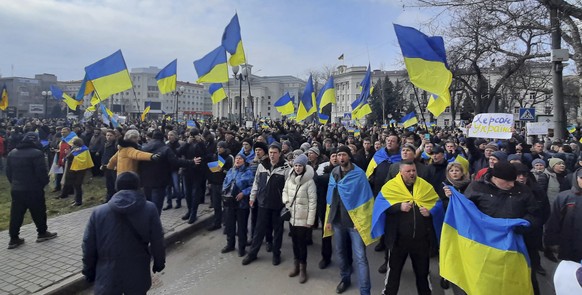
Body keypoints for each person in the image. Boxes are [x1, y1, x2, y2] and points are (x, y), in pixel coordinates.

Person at [82, 172, 165, 295]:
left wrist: (88, 269)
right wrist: (159, 262)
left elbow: (88, 244)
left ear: (116, 187)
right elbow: (157, 239)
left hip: (107, 275)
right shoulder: (149, 209)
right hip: (138, 272)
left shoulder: (98, 212)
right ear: (138, 186)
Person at [378, 161, 443, 295]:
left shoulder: (425, 186)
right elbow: (380, 206)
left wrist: (430, 211)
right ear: (400, 172)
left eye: (414, 171)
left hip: (421, 241)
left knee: (423, 274)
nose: (412, 173)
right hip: (398, 241)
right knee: (393, 273)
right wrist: (398, 207)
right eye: (408, 171)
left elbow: (437, 203)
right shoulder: (390, 187)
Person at [325, 145, 375, 295]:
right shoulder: (334, 172)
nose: (341, 158)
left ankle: (365, 290)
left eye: (344, 155)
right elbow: (331, 199)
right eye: (338, 155)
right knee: (340, 252)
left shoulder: (359, 174)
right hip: (338, 221)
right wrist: (329, 219)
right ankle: (345, 278)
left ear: (349, 156)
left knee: (360, 257)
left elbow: (366, 200)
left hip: (355, 224)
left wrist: (363, 223)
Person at [6, 132, 57, 249]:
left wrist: (14, 183)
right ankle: (42, 233)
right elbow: (41, 173)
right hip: (33, 189)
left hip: (17, 189)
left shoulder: (12, 153)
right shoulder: (37, 154)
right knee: (39, 212)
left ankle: (13, 239)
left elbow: (9, 173)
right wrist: (42, 184)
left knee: (16, 214)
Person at [242, 142, 289, 266]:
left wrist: (286, 203)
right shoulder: (262, 166)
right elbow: (256, 183)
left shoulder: (286, 167)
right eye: (270, 153)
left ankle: (276, 254)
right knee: (259, 230)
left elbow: (289, 187)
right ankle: (252, 253)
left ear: (280, 153)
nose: (272, 155)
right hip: (263, 203)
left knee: (277, 231)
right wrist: (253, 197)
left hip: (278, 205)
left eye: (275, 153)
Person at [282, 154, 317, 284]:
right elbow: (284, 191)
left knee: (302, 244)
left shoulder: (309, 181)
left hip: (303, 218)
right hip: (292, 216)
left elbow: (313, 202)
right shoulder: (290, 179)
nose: (297, 168)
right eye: (295, 165)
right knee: (294, 242)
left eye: (300, 165)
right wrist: (286, 202)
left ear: (304, 166)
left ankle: (303, 268)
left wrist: (310, 221)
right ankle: (295, 265)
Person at [545, 167, 582, 262]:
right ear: (576, 178)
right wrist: (552, 241)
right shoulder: (564, 197)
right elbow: (554, 221)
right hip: (569, 242)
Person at [221, 153, 255, 257]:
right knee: (230, 225)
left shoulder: (248, 172)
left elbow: (252, 186)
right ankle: (230, 244)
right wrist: (224, 192)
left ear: (244, 161)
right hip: (230, 203)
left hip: (242, 204)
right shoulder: (231, 171)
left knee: (242, 227)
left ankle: (242, 247)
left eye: (240, 159)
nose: (238, 160)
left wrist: (243, 193)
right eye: (236, 158)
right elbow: (225, 182)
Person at [207, 141, 234, 231]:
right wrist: (210, 181)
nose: (218, 149)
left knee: (226, 206)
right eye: (217, 147)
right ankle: (217, 222)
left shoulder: (229, 158)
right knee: (216, 205)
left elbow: (232, 172)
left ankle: (227, 225)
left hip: (224, 185)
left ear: (225, 148)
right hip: (215, 184)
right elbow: (211, 170)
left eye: (220, 147)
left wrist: (222, 170)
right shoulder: (215, 156)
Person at [65, 137, 94, 206]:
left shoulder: (83, 150)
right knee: (75, 185)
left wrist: (70, 154)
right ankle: (76, 199)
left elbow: (81, 159)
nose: (72, 145)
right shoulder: (75, 149)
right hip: (74, 169)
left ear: (77, 144)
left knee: (78, 185)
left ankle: (78, 201)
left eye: (73, 144)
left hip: (80, 170)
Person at [100, 129, 118, 202]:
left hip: (113, 167)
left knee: (114, 183)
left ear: (114, 136)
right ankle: (109, 198)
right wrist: (102, 164)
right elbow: (104, 155)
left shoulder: (116, 145)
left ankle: (115, 198)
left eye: (111, 135)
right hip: (106, 166)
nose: (109, 137)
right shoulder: (105, 144)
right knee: (108, 183)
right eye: (107, 135)